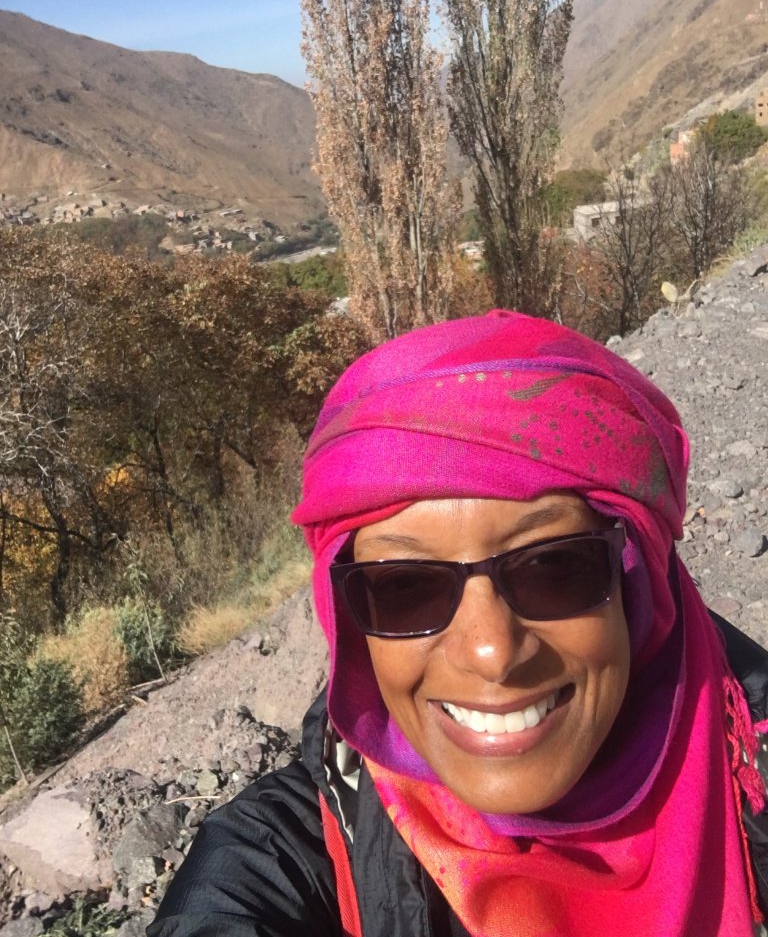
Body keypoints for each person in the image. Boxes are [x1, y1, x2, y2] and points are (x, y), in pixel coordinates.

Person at [149, 311, 768, 937]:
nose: (491, 651)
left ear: (638, 584)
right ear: (350, 623)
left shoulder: (754, 771)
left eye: (553, 567)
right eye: (406, 588)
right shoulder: (283, 850)